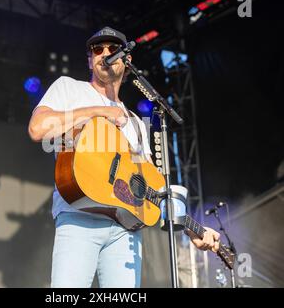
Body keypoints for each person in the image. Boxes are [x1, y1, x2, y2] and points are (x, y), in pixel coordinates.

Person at [28, 26, 220, 288]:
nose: (104, 53)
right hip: (78, 216)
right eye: (97, 49)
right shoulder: (69, 88)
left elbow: (154, 184)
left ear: (126, 60)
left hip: (124, 230)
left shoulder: (135, 123)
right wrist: (99, 111)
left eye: (112, 49)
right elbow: (38, 128)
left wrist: (192, 228)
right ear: (90, 59)